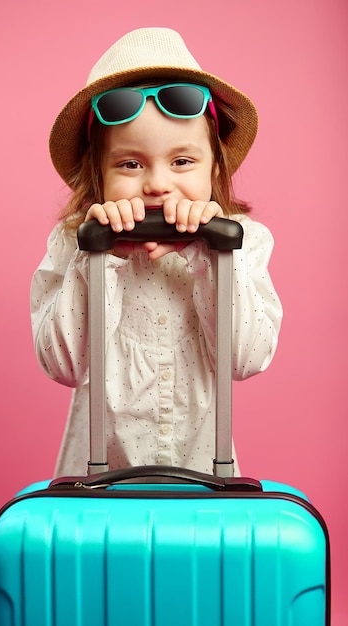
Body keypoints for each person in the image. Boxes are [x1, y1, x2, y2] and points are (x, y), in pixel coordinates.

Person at [31, 27, 283, 477]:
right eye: (130, 164)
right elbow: (64, 365)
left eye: (182, 161)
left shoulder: (240, 240)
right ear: (97, 174)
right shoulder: (76, 242)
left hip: (206, 479)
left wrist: (212, 254)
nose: (158, 183)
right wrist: (98, 256)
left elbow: (247, 359)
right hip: (97, 485)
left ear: (215, 168)